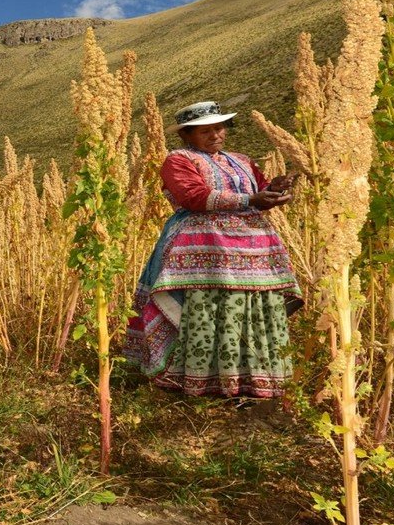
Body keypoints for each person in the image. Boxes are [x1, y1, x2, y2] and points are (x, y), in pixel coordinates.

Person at [124, 101, 301, 399]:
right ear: (187, 136)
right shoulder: (178, 160)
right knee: (208, 307)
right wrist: (251, 201)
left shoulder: (241, 160)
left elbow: (257, 189)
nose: (215, 135)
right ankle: (201, 383)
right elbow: (194, 196)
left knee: (253, 307)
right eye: (205, 131)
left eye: (219, 128)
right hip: (203, 250)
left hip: (253, 248)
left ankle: (255, 381)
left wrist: (276, 187)